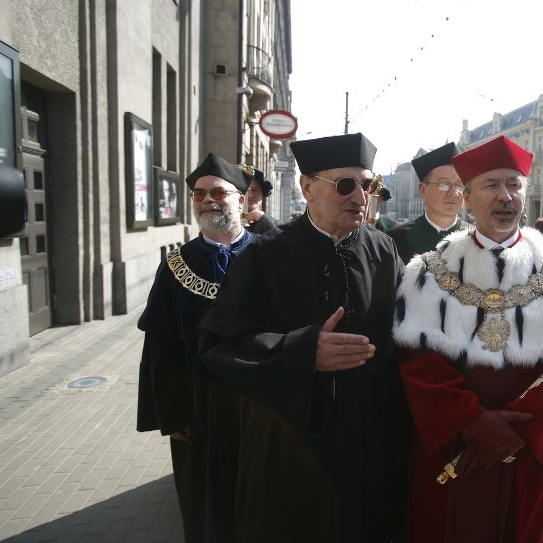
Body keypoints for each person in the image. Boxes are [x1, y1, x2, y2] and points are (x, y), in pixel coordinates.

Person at [392, 135, 543, 543]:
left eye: (514, 185)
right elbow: (417, 363)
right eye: (491, 185)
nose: (505, 196)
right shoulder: (426, 272)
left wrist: (515, 430)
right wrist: (473, 423)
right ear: (467, 197)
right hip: (454, 451)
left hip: (527, 451)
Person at [197, 132, 409, 542]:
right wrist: (301, 350)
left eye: (367, 185)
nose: (360, 198)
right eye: (345, 185)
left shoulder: (384, 252)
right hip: (290, 443)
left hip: (368, 442)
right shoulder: (264, 255)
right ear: (306, 187)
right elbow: (219, 345)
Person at [136, 153, 258, 542]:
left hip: (260, 409)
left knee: (260, 502)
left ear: (240, 200)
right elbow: (161, 346)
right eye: (199, 194)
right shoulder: (175, 264)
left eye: (218, 192)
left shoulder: (272, 255)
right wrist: (171, 415)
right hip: (198, 411)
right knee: (206, 510)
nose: (208, 200)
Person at [387, 142, 472, 263]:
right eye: (444, 184)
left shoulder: (478, 240)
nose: (454, 193)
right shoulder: (393, 240)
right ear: (423, 190)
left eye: (459, 185)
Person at [244, 167, 278, 234]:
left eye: (255, 190)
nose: (250, 195)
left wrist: (264, 221)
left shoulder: (276, 225)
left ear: (263, 193)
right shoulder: (223, 223)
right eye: (245, 190)